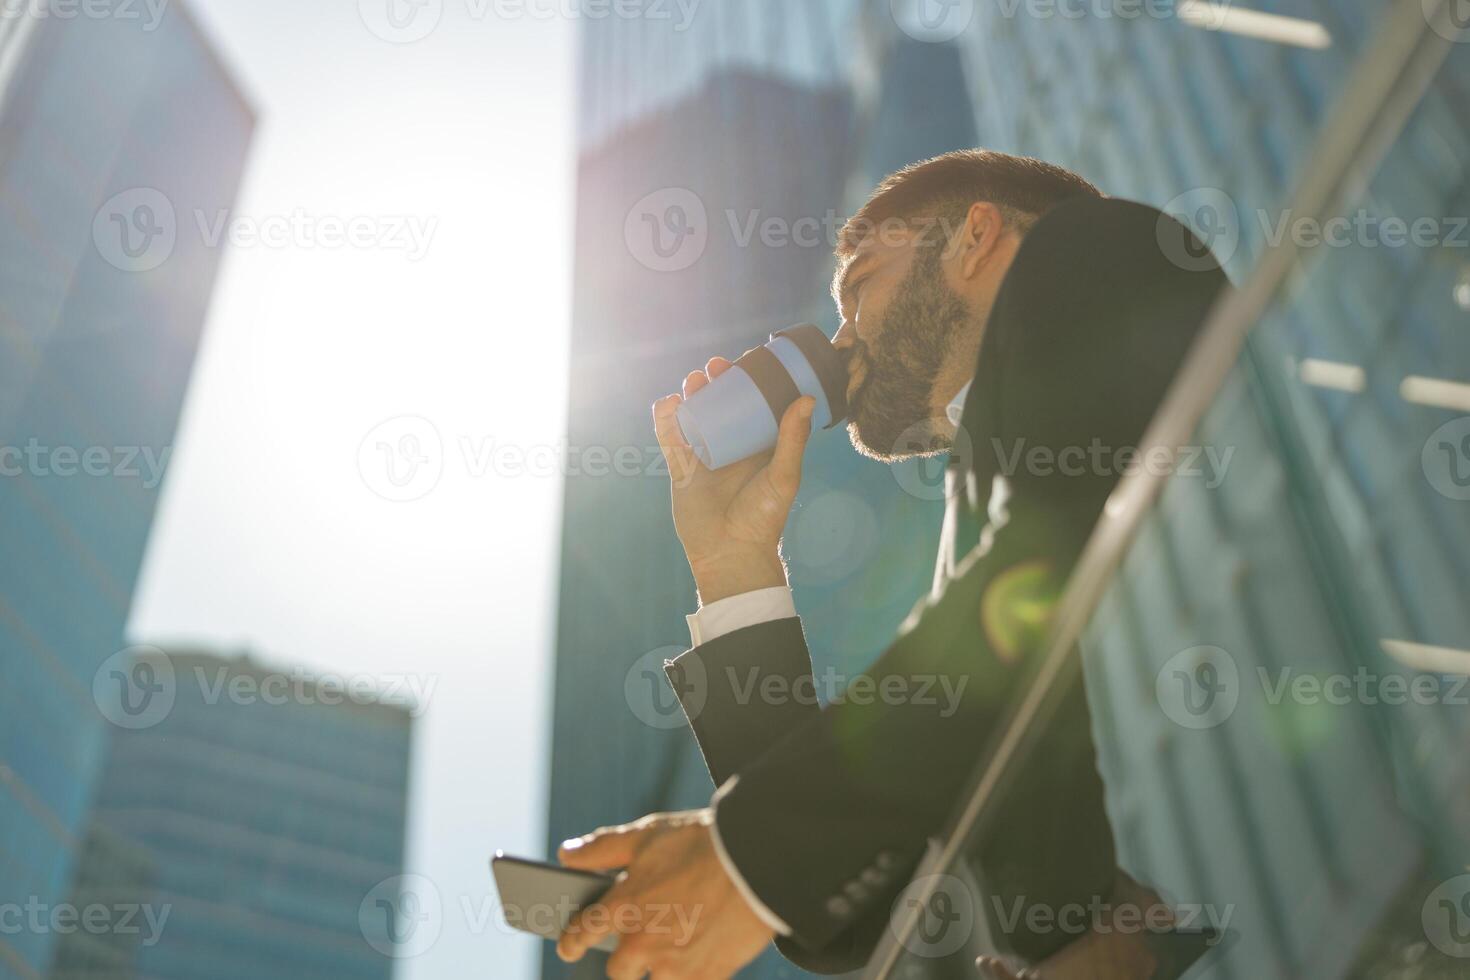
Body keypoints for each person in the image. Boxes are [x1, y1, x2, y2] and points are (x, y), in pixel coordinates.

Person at [555, 150, 1228, 979]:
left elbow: (1043, 564)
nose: (845, 339)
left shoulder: (1095, 249)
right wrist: (735, 566)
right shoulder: (983, 535)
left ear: (975, 237)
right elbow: (851, 921)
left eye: (861, 284)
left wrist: (748, 853)